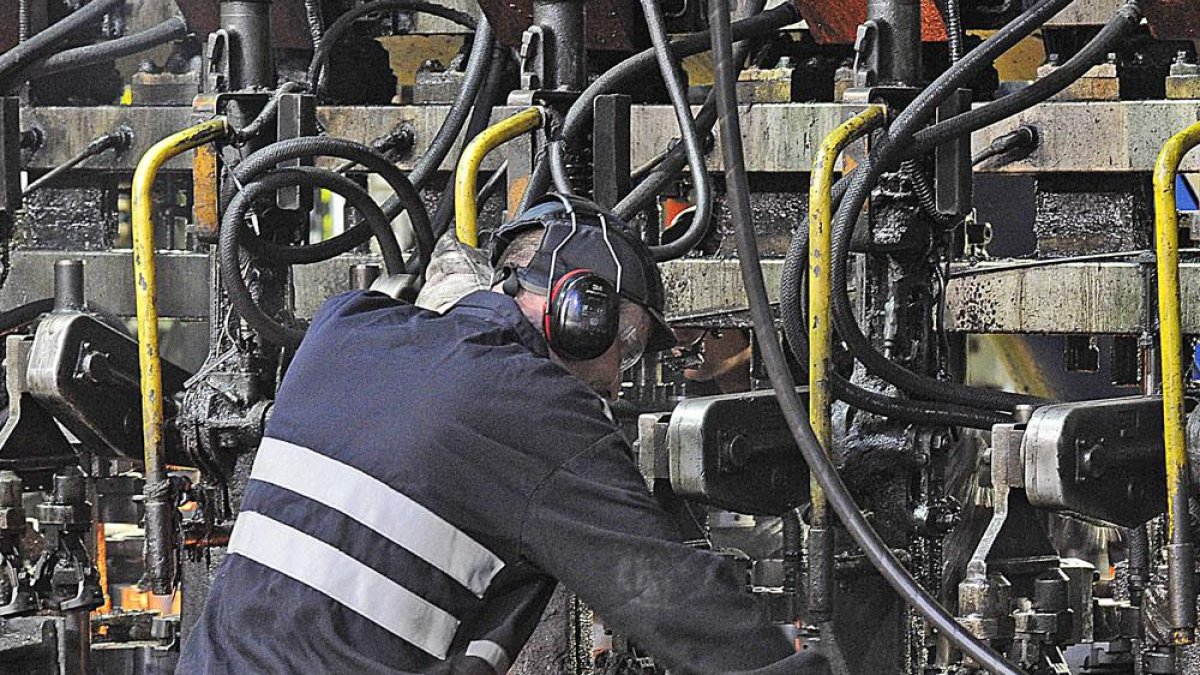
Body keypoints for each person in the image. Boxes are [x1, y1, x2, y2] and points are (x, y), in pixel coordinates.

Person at [177, 195, 829, 675]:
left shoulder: (343, 327)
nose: (617, 383)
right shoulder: (540, 410)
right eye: (624, 349)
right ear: (580, 313)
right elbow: (671, 596)